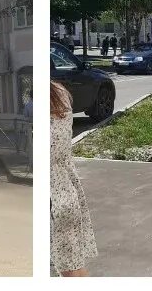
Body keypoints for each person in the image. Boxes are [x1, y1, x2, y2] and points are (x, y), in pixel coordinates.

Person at [51, 81, 97, 276]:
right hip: (64, 191)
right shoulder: (58, 92)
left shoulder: (54, 94)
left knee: (70, 269)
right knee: (71, 268)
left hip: (57, 197)